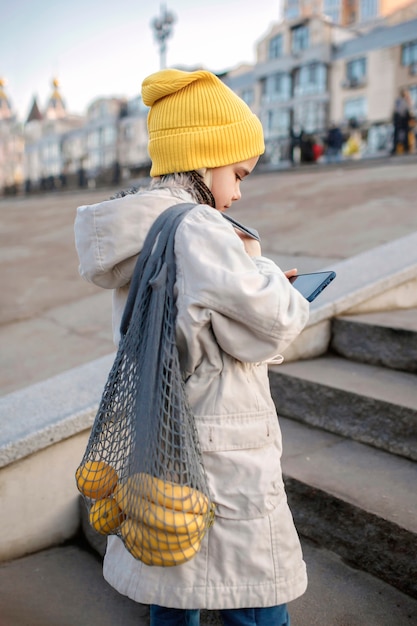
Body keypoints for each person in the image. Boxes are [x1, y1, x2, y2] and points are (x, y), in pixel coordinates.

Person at [75, 68, 310, 626]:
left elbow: (189, 323)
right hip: (221, 438)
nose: (239, 189)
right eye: (238, 173)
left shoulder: (142, 230)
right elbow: (270, 325)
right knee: (254, 591)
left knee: (174, 572)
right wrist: (266, 271)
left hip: (164, 433)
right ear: (206, 159)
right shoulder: (200, 228)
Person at [391, 89, 411, 155]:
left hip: (400, 120)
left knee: (400, 134)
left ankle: (403, 147)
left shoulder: (400, 101)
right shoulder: (401, 101)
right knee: (400, 134)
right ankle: (402, 147)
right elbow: (404, 111)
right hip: (401, 120)